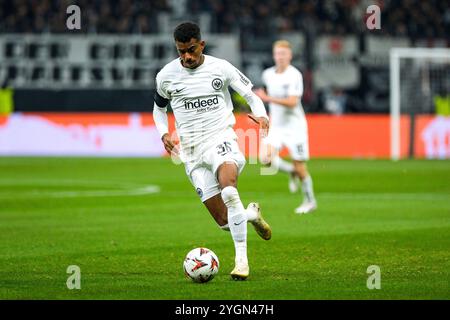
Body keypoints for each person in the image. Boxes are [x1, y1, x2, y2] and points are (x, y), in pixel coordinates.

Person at [152, 22, 272, 280]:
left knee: (229, 188)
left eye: (192, 50)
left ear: (201, 44)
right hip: (192, 153)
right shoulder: (166, 76)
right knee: (226, 222)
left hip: (221, 139)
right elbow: (159, 108)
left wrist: (261, 115)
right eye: (181, 51)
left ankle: (242, 263)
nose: (187, 56)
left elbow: (251, 96)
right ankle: (251, 213)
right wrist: (163, 132)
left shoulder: (221, 68)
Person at [254, 40, 317, 214]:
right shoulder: (268, 74)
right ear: (274, 55)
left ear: (290, 55)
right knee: (265, 159)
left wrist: (267, 99)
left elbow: (292, 101)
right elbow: (263, 96)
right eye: (277, 53)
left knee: (301, 166)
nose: (280, 57)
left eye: (284, 54)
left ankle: (310, 201)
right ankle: (291, 171)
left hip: (295, 127)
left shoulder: (294, 75)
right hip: (277, 127)